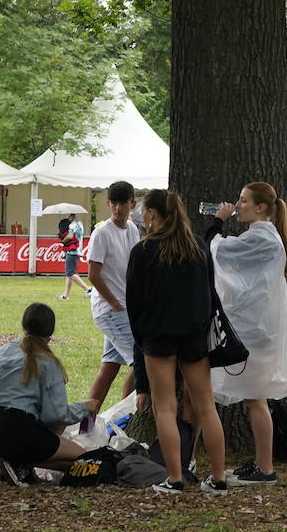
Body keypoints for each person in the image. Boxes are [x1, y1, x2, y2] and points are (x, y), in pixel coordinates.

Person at [125, 189, 229, 495]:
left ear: (154, 214)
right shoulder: (198, 247)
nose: (141, 216)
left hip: (157, 338)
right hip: (195, 337)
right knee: (206, 407)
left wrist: (141, 340)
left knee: (165, 409)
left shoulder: (143, 252)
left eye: (144, 211)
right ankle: (219, 477)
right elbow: (210, 294)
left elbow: (134, 304)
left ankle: (174, 478)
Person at [207, 182, 287, 487]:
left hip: (256, 335)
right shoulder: (263, 236)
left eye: (243, 200)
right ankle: (262, 463)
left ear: (260, 207)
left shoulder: (262, 237)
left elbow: (217, 250)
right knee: (255, 399)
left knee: (257, 399)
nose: (237, 204)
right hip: (258, 332)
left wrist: (218, 221)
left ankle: (265, 467)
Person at [0, 302, 99, 486]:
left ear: (24, 325)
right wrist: (84, 407)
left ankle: (17, 463)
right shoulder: (48, 362)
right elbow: (56, 415)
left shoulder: (2, 352)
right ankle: (21, 462)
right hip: (22, 431)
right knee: (87, 460)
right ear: (50, 332)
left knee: (57, 443)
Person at [85, 182, 142, 410]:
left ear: (132, 204)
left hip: (125, 309)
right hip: (110, 310)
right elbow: (93, 274)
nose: (118, 208)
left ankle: (87, 425)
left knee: (110, 366)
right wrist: (116, 304)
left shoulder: (133, 230)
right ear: (108, 204)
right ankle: (125, 415)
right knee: (142, 362)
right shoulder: (102, 232)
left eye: (123, 203)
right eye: (114, 203)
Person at [59, 215, 91, 299]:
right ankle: (65, 295)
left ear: (70, 216)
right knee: (69, 273)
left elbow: (70, 236)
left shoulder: (72, 225)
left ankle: (88, 289)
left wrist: (63, 241)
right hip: (77, 250)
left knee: (70, 273)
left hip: (71, 250)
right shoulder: (79, 223)